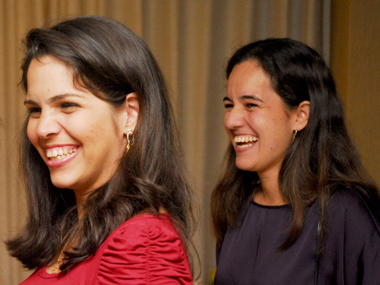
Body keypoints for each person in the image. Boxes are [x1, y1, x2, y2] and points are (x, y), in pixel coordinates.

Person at [7, 15, 194, 284]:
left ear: (129, 115)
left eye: (67, 105)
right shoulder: (74, 232)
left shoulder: (143, 243)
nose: (43, 128)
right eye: (35, 110)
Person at [211, 38, 380, 284]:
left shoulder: (346, 212)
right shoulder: (236, 206)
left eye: (250, 105)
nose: (231, 120)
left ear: (300, 116)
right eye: (229, 105)